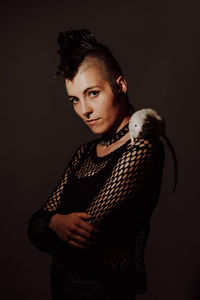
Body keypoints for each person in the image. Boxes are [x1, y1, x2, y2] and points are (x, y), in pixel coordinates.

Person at [27, 28, 165, 300]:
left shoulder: (142, 147)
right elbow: (34, 227)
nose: (84, 110)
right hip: (62, 286)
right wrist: (55, 221)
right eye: (74, 100)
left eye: (92, 93)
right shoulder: (85, 153)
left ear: (120, 85)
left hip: (103, 291)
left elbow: (87, 229)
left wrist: (51, 223)